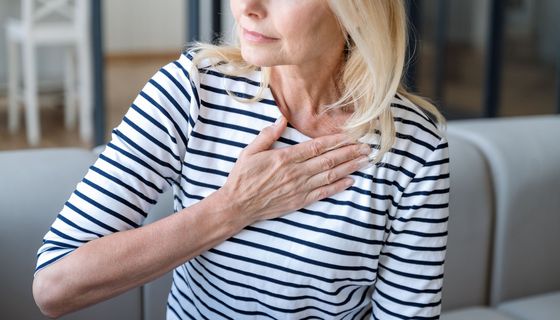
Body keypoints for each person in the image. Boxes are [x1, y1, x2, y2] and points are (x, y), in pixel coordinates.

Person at [33, 0, 450, 319]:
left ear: (357, 10)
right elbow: (55, 285)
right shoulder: (192, 92)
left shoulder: (416, 146)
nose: (248, 7)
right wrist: (233, 208)